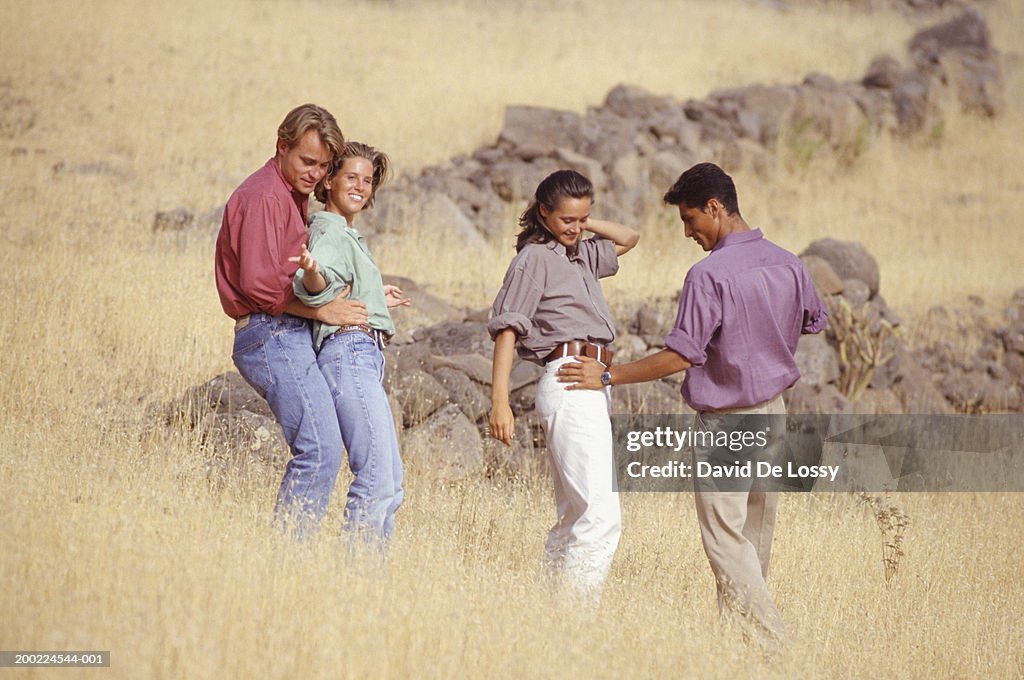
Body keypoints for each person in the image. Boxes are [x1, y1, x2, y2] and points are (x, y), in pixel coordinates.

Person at [557, 162, 828, 645]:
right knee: (752, 540)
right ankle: (736, 651)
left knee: (726, 542)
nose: (688, 233)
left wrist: (609, 375)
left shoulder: (708, 275)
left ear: (715, 208)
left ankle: (775, 647)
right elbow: (811, 322)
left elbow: (683, 354)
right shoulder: (789, 262)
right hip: (776, 414)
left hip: (728, 423)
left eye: (689, 220)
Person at [215, 104, 369, 537]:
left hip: (282, 330)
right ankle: (286, 561)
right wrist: (322, 311)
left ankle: (288, 558)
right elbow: (260, 286)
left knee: (321, 447)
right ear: (281, 147)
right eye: (307, 161)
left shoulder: (288, 194)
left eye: (323, 166)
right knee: (319, 449)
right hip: (270, 333)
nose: (316, 174)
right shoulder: (265, 195)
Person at [487, 169, 640, 599]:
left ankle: (547, 613)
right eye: (566, 219)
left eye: (582, 218)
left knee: (576, 514)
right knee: (599, 514)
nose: (575, 228)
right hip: (570, 378)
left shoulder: (582, 254)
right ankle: (576, 623)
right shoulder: (534, 258)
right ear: (543, 212)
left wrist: (582, 223)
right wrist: (500, 402)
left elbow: (630, 238)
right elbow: (507, 331)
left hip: (593, 383)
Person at [290, 141, 409, 542]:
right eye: (351, 177)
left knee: (391, 483)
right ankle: (356, 580)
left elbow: (339, 281)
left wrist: (377, 296)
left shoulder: (346, 234)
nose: (361, 186)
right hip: (348, 354)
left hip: (362, 353)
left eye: (368, 180)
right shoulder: (329, 231)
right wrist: (311, 273)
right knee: (376, 477)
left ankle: (368, 585)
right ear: (329, 180)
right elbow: (314, 282)